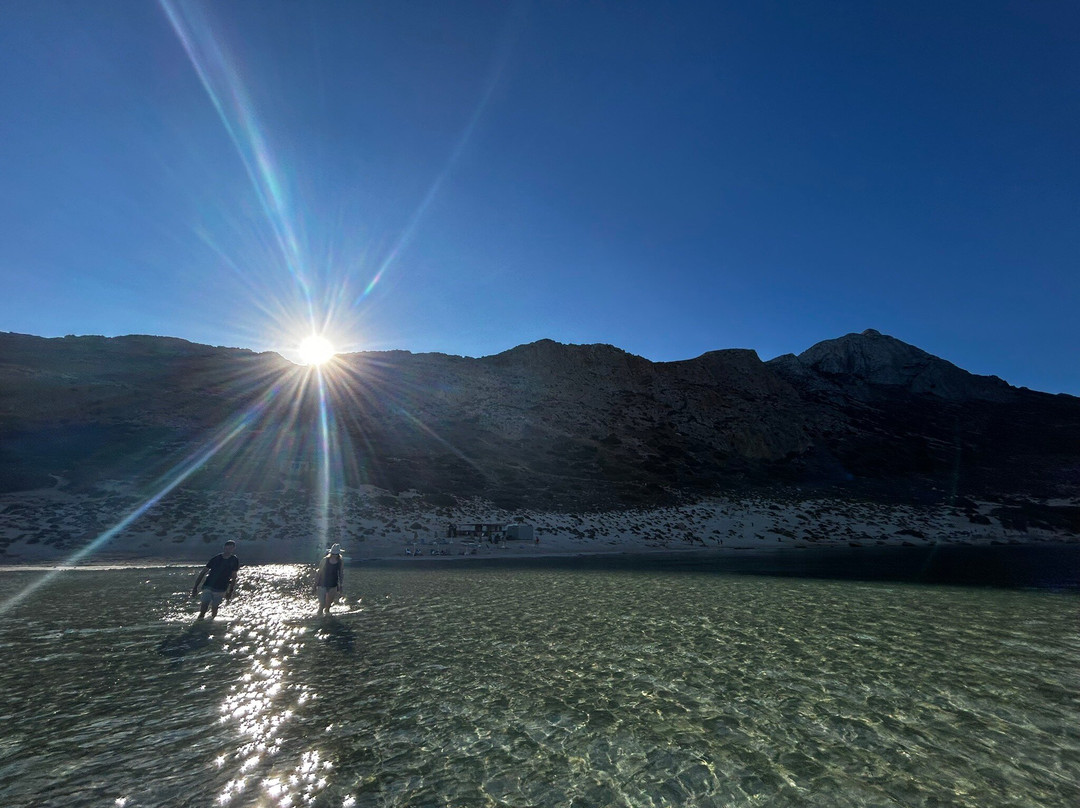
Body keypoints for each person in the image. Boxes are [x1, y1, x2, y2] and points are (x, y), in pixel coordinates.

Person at [191, 540, 240, 620]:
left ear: (233, 549)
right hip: (208, 585)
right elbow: (203, 572)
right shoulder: (216, 558)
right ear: (224, 548)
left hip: (221, 587)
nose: (228, 550)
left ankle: (211, 624)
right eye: (227, 548)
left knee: (215, 608)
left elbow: (234, 576)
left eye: (230, 549)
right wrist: (195, 587)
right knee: (204, 605)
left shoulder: (234, 560)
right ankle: (199, 621)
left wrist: (230, 591)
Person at [313, 543, 345, 616]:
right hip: (322, 583)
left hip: (333, 584)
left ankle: (327, 619)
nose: (334, 555)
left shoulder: (340, 561)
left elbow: (341, 573)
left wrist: (341, 585)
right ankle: (318, 618)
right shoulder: (325, 560)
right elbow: (319, 572)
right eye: (333, 554)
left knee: (328, 606)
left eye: (336, 554)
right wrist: (315, 585)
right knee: (322, 604)